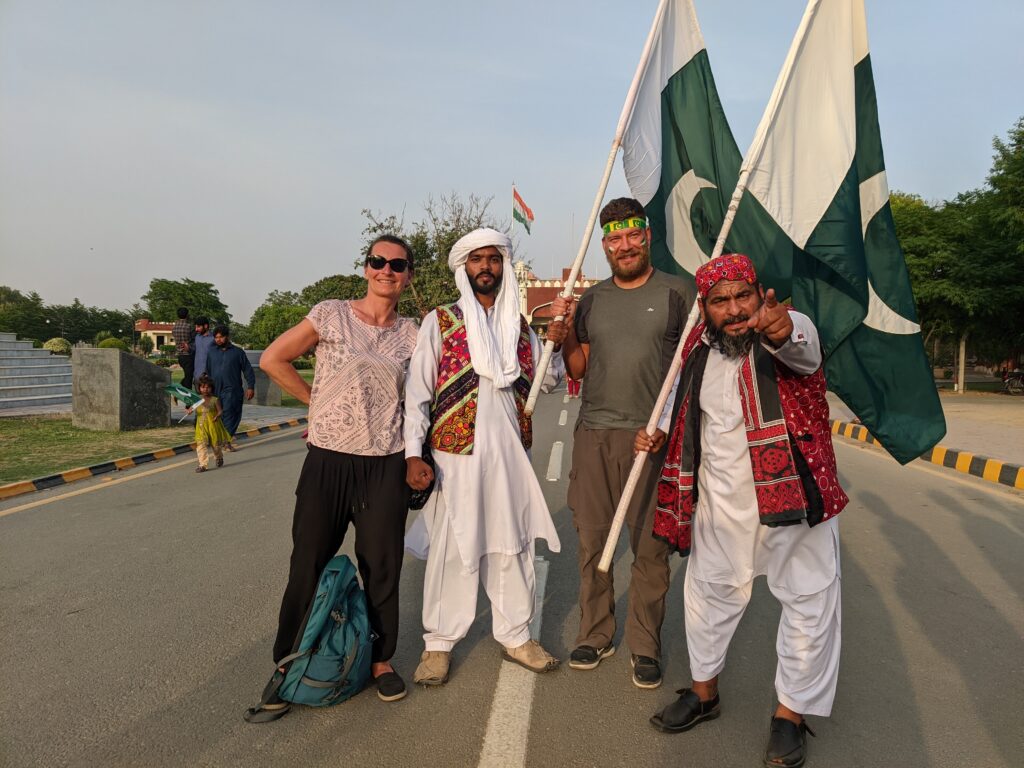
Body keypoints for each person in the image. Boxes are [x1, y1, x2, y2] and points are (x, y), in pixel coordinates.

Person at [639, 253, 848, 768]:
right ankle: (703, 693)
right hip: (721, 505)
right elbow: (678, 403)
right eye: (720, 300)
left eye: (743, 296)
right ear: (705, 307)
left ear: (759, 294)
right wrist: (658, 431)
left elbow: (800, 348)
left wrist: (782, 329)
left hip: (794, 500)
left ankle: (789, 716)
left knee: (808, 602)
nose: (734, 310)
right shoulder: (697, 350)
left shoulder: (789, 329)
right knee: (708, 597)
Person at [257, 234, 419, 713]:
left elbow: (424, 395)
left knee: (382, 566)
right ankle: (288, 661)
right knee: (308, 561)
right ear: (365, 268)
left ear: (408, 276)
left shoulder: (414, 333)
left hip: (385, 462)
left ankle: (381, 660)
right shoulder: (331, 314)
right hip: (328, 460)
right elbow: (272, 359)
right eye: (378, 261)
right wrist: (316, 403)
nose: (386, 270)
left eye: (397, 265)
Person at [545, 197, 695, 689]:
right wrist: (565, 335)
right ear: (604, 245)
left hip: (652, 438)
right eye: (614, 238)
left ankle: (645, 645)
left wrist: (669, 427)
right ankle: (595, 633)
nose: (624, 245)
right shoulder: (592, 300)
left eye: (632, 235)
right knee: (592, 542)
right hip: (594, 434)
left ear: (646, 236)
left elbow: (692, 370)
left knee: (650, 547)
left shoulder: (678, 292)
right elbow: (578, 368)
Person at [404, 228, 561, 686]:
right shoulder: (441, 321)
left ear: (503, 266)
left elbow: (547, 382)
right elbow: (418, 393)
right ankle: (438, 644)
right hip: (455, 457)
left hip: (510, 455)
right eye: (477, 259)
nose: (486, 267)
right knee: (455, 547)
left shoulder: (520, 327)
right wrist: (413, 454)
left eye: (494, 258)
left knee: (512, 544)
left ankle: (517, 636)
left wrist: (555, 342)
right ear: (464, 267)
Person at [201, 325, 255, 447]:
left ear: (227, 337)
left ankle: (226, 440)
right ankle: (218, 438)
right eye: (216, 337)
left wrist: (251, 386)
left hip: (232, 389)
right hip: (215, 389)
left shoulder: (238, 352)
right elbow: (208, 370)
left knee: (230, 413)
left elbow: (248, 370)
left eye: (221, 337)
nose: (218, 340)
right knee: (217, 414)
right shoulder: (212, 352)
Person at [189, 374, 231, 472]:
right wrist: (189, 411)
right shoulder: (197, 399)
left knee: (215, 445)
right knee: (201, 444)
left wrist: (217, 416)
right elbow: (191, 409)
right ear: (199, 388)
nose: (205, 389)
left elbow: (220, 411)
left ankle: (219, 457)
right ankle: (203, 465)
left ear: (212, 388)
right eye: (203, 387)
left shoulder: (215, 400)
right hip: (201, 427)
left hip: (213, 425)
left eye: (208, 387)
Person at [172, 307, 196, 391]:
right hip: (188, 355)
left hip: (180, 355)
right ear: (187, 315)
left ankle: (180, 389)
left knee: (187, 376)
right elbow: (194, 340)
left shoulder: (174, 327)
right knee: (189, 378)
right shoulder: (190, 327)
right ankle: (183, 392)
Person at [193, 316, 214, 391]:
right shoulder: (197, 337)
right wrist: (188, 348)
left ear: (205, 326)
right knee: (198, 398)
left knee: (210, 398)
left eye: (198, 327)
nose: (196, 329)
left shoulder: (214, 339)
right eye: (195, 327)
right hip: (197, 376)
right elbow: (196, 351)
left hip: (209, 377)